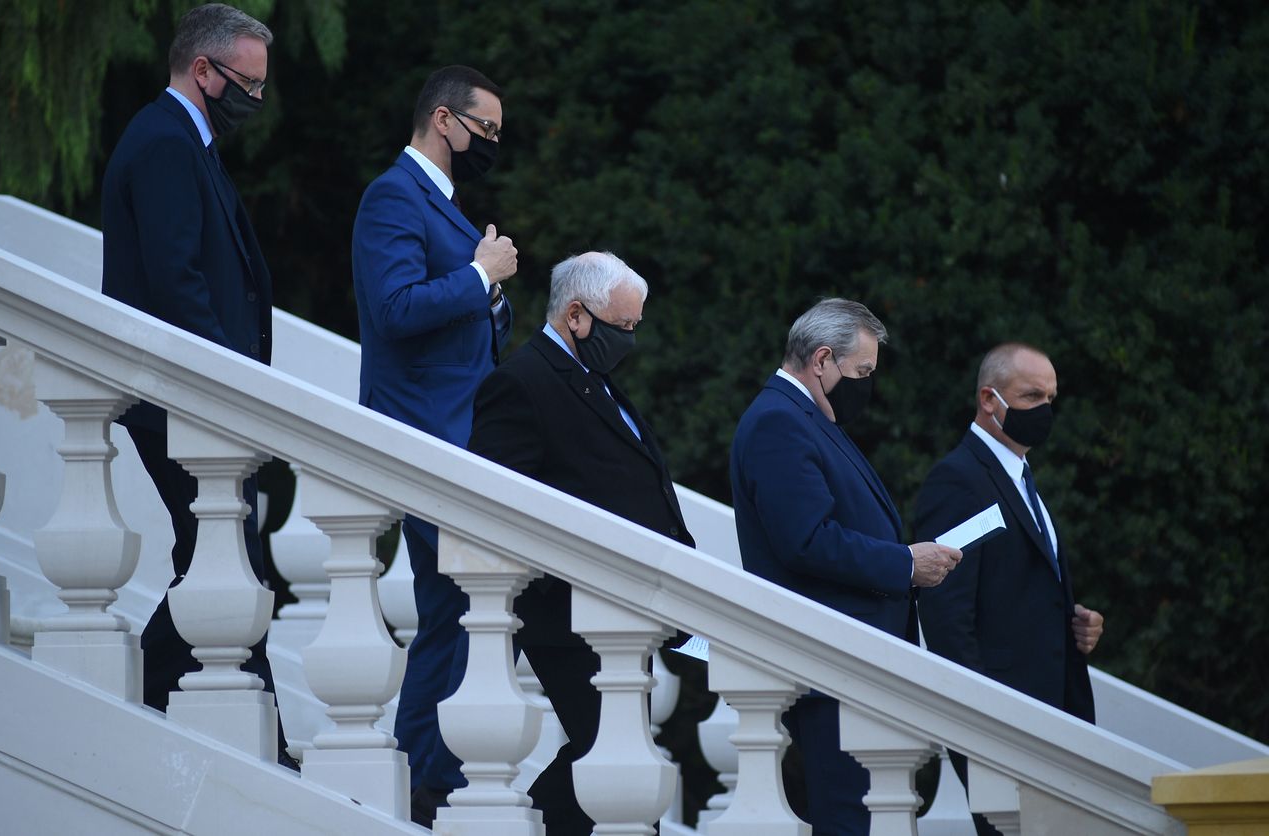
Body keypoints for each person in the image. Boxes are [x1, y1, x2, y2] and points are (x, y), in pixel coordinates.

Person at [99, 3, 293, 766]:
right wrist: (227, 386)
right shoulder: (166, 146)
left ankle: (151, 705)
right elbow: (179, 284)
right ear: (202, 70)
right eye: (248, 83)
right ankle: (156, 708)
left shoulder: (186, 141)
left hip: (190, 403)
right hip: (181, 404)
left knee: (215, 562)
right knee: (225, 561)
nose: (256, 99)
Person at [468, 251, 694, 835]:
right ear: (575, 315)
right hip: (567, 612)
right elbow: (501, 506)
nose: (631, 340)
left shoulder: (595, 380)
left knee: (618, 748)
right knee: (608, 749)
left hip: (618, 607)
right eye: (623, 327)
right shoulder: (521, 381)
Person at [350, 64, 517, 822]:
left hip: (457, 439)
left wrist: (492, 296)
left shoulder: (445, 206)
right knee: (455, 606)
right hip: (422, 438)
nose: (490, 145)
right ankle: (422, 776)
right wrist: (480, 276)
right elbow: (393, 309)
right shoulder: (394, 195)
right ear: (443, 121)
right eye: (485, 130)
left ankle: (427, 775)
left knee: (456, 612)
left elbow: (456, 326)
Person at [729, 298, 961, 835]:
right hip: (832, 663)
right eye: (862, 372)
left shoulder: (804, 416)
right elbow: (806, 542)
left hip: (851, 664)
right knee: (848, 820)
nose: (867, 385)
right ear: (822, 360)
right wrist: (904, 564)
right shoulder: (778, 422)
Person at [913, 342, 1104, 835]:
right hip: (1003, 723)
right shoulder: (958, 480)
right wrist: (985, 721)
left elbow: (1017, 588)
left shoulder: (1019, 475)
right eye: (1031, 396)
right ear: (989, 399)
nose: (1044, 409)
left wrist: (1074, 623)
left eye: (1051, 397)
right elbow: (946, 612)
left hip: (1053, 713)